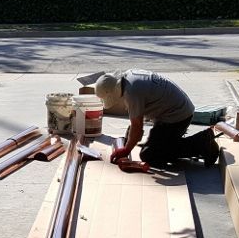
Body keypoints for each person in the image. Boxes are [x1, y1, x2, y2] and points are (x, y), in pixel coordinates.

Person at [79, 70, 219, 167]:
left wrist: (126, 150)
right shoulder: (128, 79)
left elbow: (137, 127)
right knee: (154, 144)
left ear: (113, 92)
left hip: (177, 117)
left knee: (150, 155)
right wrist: (132, 136)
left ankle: (202, 143)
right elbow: (136, 124)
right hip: (176, 111)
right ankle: (175, 143)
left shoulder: (132, 92)